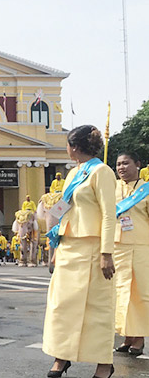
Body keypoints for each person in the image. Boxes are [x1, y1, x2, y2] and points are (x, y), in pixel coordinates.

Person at [43, 125, 116, 378]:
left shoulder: (101, 171)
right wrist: (55, 247)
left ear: (74, 146)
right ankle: (61, 357)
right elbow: (65, 209)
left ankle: (104, 363)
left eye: (66, 144)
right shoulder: (73, 173)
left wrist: (107, 252)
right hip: (68, 247)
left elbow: (109, 214)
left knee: (96, 308)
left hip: (93, 248)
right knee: (62, 306)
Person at [113, 152, 148, 356]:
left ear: (138, 164)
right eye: (118, 164)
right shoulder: (112, 187)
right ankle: (126, 335)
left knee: (139, 293)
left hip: (141, 245)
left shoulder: (146, 189)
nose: (121, 167)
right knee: (119, 292)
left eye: (126, 163)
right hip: (116, 246)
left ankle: (140, 337)